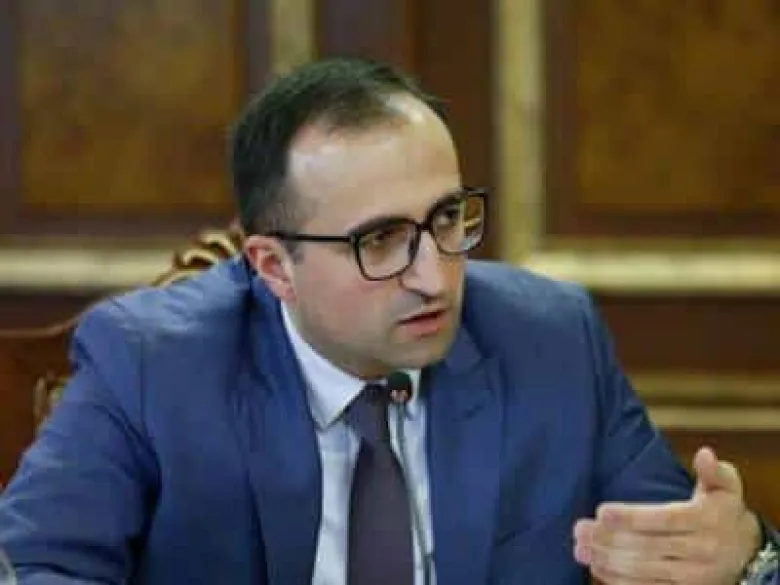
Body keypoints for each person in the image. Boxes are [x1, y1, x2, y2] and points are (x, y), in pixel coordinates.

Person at [0, 57, 777, 585]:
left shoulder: (550, 339)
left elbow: (680, 545)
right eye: (380, 241)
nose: (434, 275)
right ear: (273, 266)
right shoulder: (149, 363)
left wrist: (746, 558)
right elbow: (36, 566)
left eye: (447, 218)